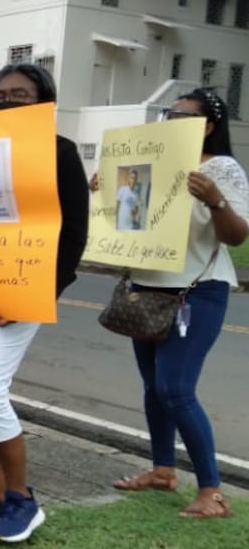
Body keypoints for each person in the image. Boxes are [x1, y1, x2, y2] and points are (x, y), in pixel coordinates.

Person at [0, 63, 88, 542]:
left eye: (19, 94)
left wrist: (40, 293)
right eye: (0, 93)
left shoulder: (60, 152)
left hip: (22, 287)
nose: (6, 100)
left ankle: (22, 498)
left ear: (43, 102)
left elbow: (73, 235)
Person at [111, 89, 247, 519]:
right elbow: (128, 221)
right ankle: (163, 470)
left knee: (175, 389)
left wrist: (215, 199)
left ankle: (211, 491)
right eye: (169, 114)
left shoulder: (220, 168)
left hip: (196, 290)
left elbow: (237, 235)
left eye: (184, 116)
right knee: (154, 387)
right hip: (147, 286)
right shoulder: (148, 163)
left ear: (209, 126)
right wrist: (107, 193)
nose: (173, 121)